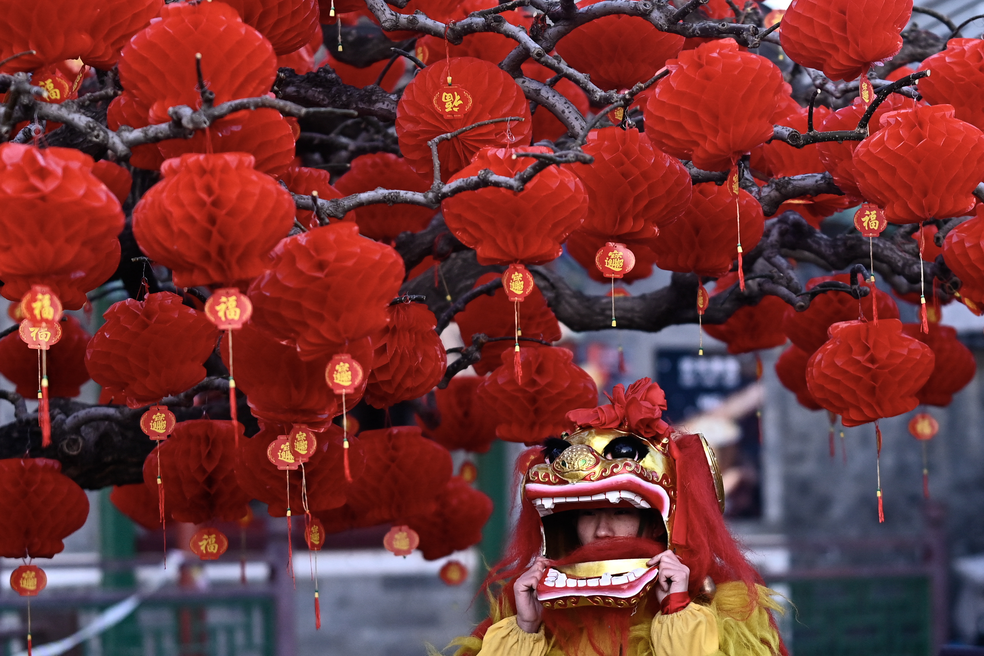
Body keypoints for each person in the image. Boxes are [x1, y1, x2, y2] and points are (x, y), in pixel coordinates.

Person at [449, 378, 786, 656]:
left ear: (655, 520)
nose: (601, 529)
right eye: (588, 513)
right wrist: (526, 629)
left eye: (620, 512)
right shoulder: (532, 608)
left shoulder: (717, 604)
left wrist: (678, 614)